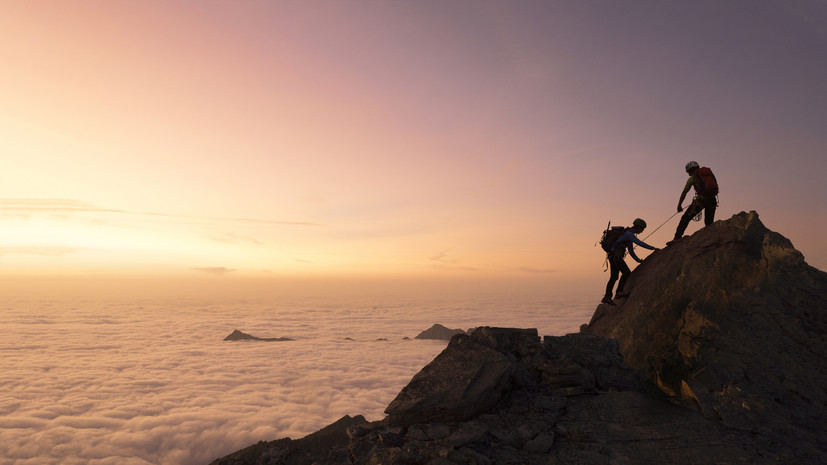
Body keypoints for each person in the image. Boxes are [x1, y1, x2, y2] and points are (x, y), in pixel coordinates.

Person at [602, 218, 657, 306]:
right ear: (638, 227)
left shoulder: (627, 235)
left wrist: (638, 260)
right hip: (616, 257)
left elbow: (631, 251)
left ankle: (607, 297)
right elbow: (640, 243)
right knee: (626, 273)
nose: (642, 231)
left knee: (614, 276)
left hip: (612, 257)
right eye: (642, 229)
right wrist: (653, 248)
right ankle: (619, 291)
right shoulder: (629, 234)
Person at [668, 161, 718, 246]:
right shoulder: (709, 174)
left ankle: (677, 238)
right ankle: (711, 238)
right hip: (712, 200)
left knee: (685, 218)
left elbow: (684, 192)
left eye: (688, 172)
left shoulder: (692, 178)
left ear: (691, 170)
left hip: (700, 201)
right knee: (709, 222)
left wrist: (679, 205)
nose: (688, 174)